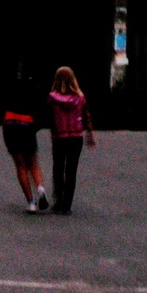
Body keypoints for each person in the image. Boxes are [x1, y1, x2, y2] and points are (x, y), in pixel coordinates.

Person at [47, 66, 96, 215]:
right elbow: (87, 115)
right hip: (75, 137)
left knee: (58, 169)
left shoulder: (52, 98)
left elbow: (48, 117)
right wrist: (90, 133)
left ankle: (58, 200)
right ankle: (67, 205)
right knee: (71, 171)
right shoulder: (80, 98)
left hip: (59, 137)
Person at [2, 74, 49, 214]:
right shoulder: (34, 90)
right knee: (33, 163)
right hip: (27, 124)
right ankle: (40, 188)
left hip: (10, 123)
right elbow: (41, 111)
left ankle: (31, 203)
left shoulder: (10, 87)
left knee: (20, 165)